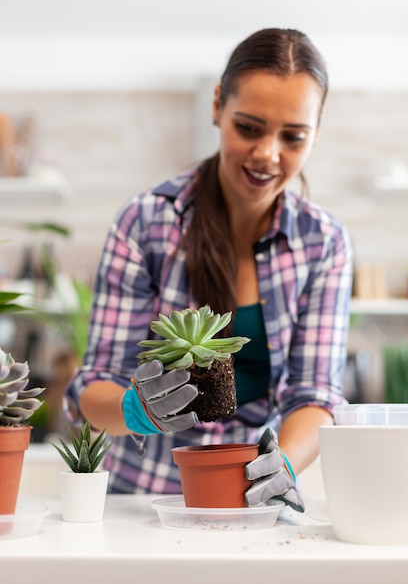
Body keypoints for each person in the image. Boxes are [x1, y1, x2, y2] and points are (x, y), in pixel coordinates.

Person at [64, 28, 353, 511]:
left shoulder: (323, 244)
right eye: (249, 127)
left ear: (316, 131)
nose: (267, 153)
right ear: (218, 106)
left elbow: (315, 393)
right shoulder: (146, 224)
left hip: (252, 501)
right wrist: (135, 410)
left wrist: (282, 463)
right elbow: (92, 387)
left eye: (293, 136)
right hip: (144, 501)